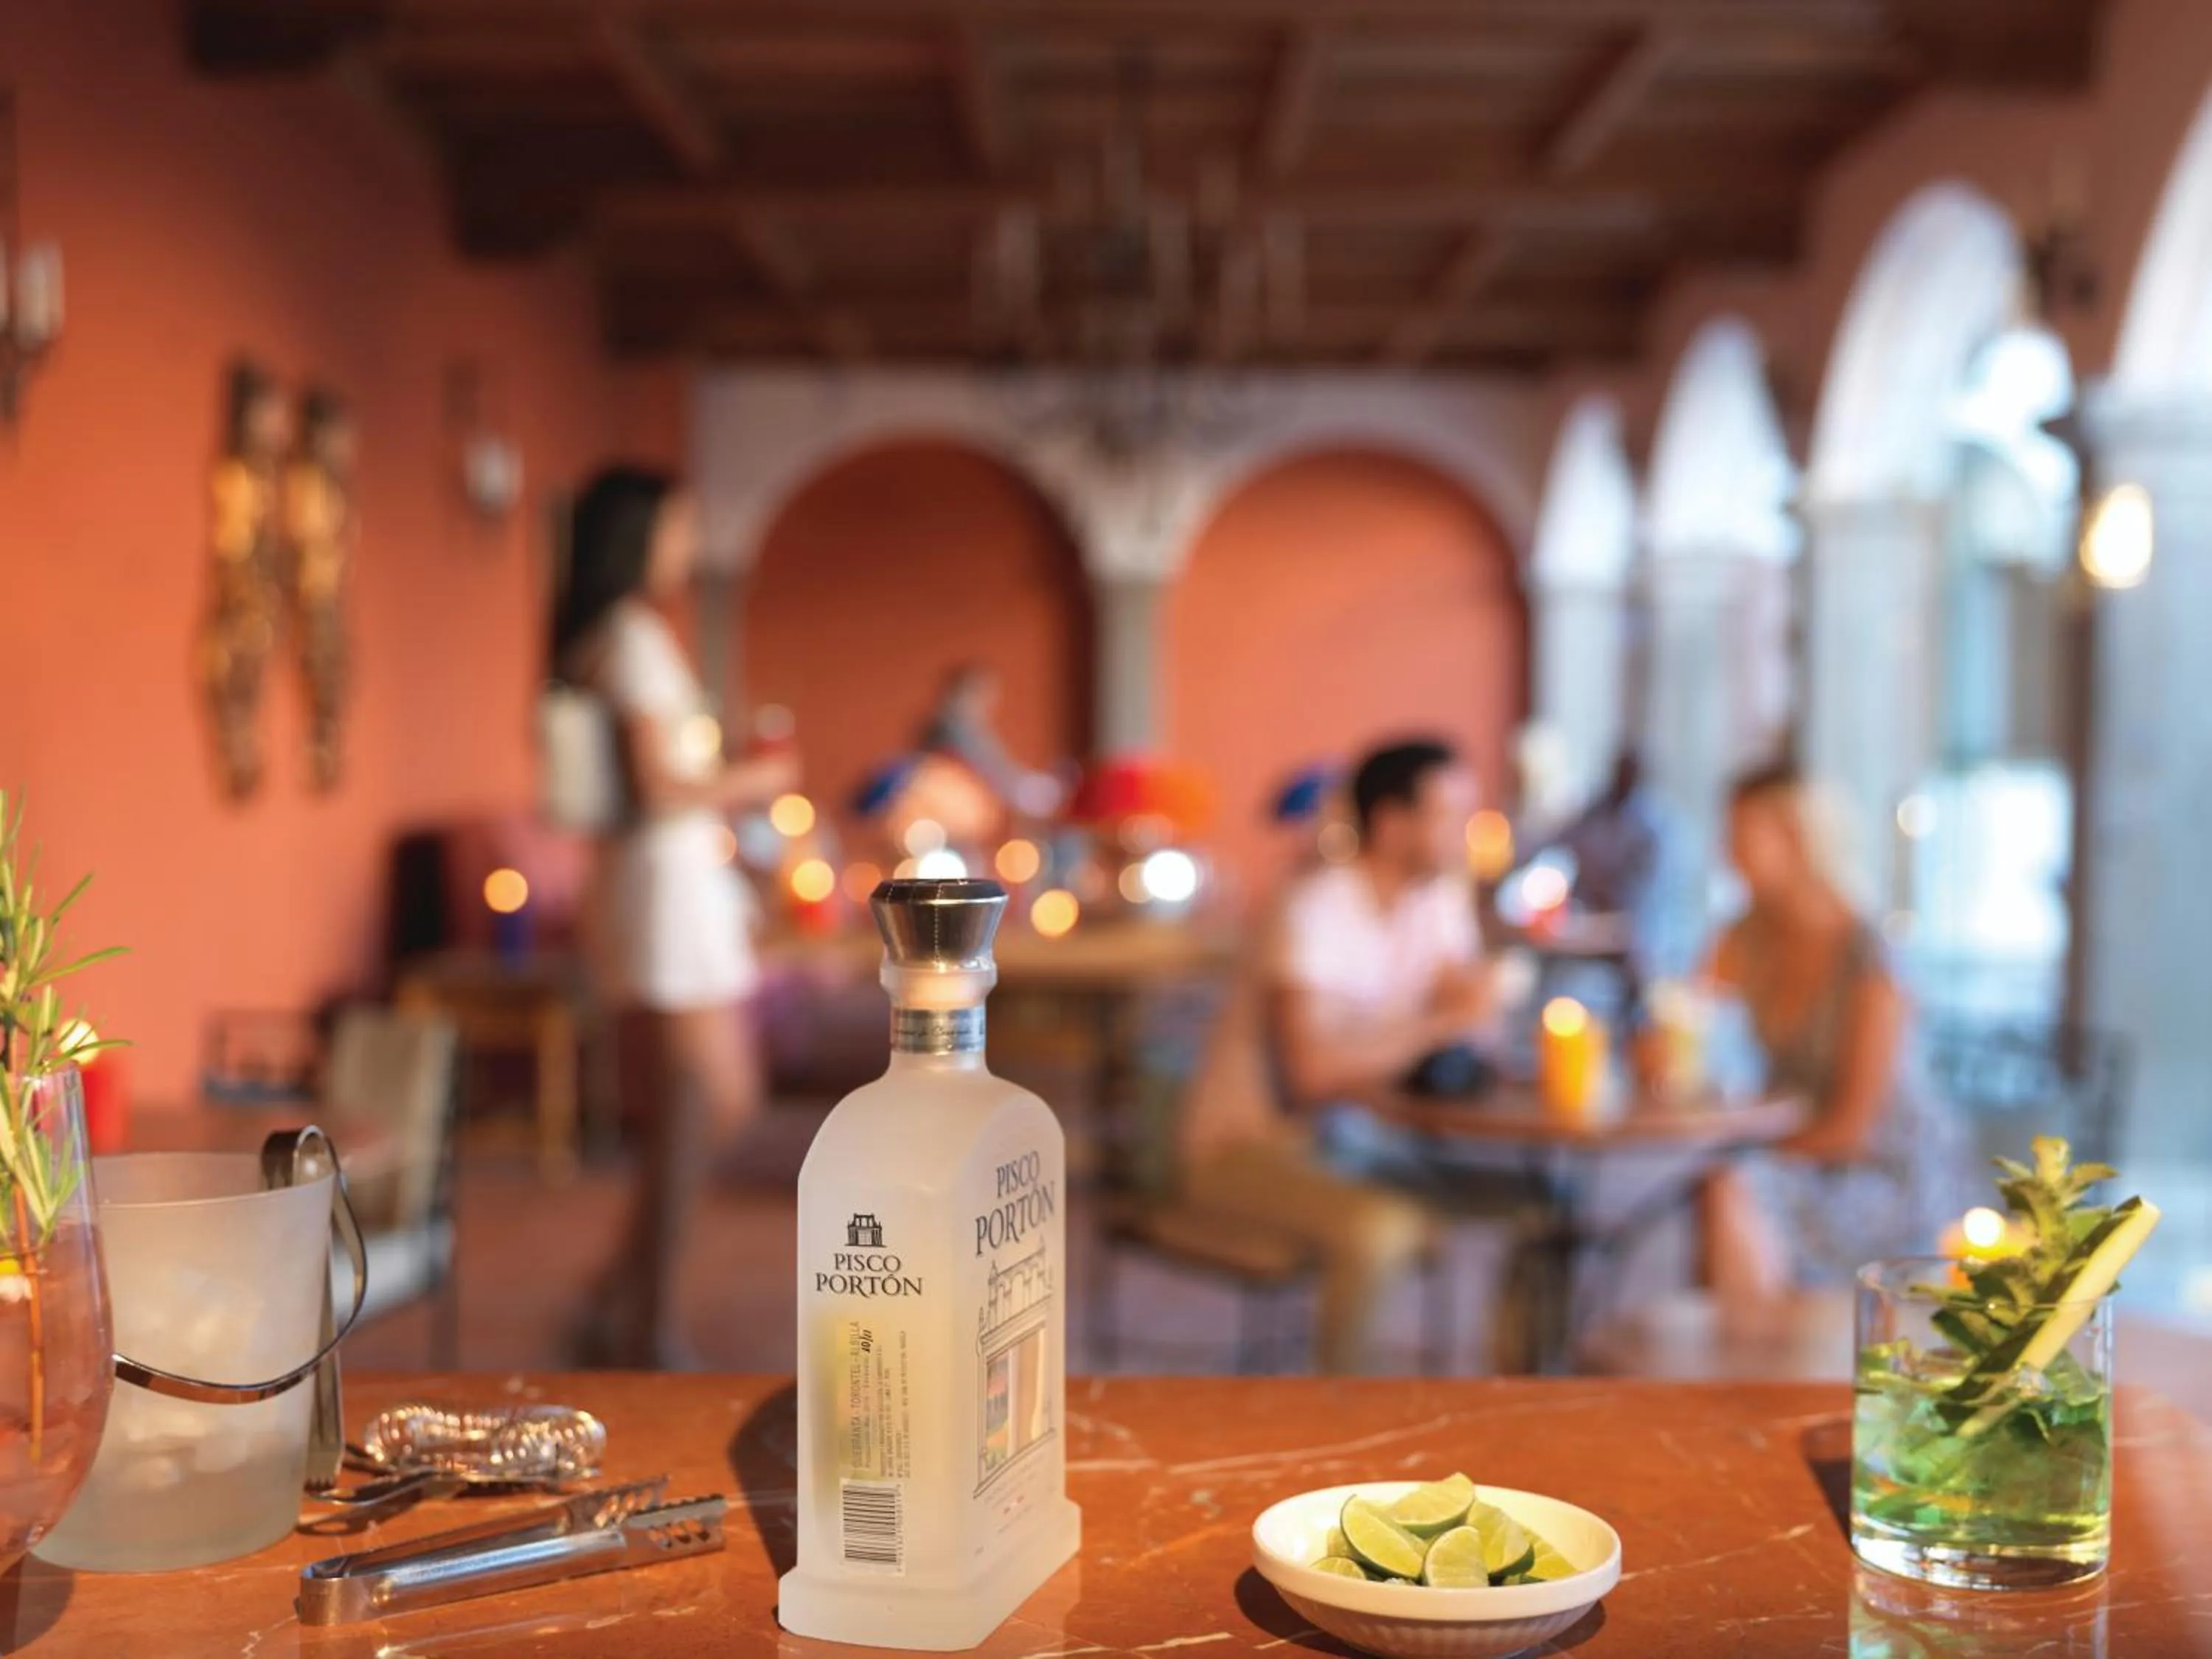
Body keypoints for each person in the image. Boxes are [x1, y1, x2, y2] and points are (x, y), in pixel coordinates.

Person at [552, 465, 797, 1368]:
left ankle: (621, 1294)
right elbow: (660, 788)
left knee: (710, 1105)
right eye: (680, 529)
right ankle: (644, 1316)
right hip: (662, 890)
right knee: (697, 1107)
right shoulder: (631, 639)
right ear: (641, 535)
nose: (689, 548)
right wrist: (758, 781)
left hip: (663, 886)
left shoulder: (615, 638)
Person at [1178, 738, 1495, 1374]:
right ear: (1390, 822)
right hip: (1243, 1146)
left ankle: (1519, 1398)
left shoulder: (1436, 901)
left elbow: (1477, 1024)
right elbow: (1312, 1073)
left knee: (1540, 1204)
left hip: (1356, 1144)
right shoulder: (1314, 907)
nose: (1467, 832)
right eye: (1449, 814)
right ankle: (1341, 1417)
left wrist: (1463, 1017)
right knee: (1385, 1232)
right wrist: (1439, 1023)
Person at [1694, 759, 1958, 1301]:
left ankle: (1752, 1362)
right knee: (1709, 1187)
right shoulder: (1745, 937)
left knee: (1730, 1189)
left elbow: (1852, 1129)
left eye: (1741, 836)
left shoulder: (1870, 961)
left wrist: (1747, 1148)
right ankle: (1744, 1354)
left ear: (1796, 839)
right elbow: (1685, 1022)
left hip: (1882, 1173)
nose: (1727, 854)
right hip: (1793, 1149)